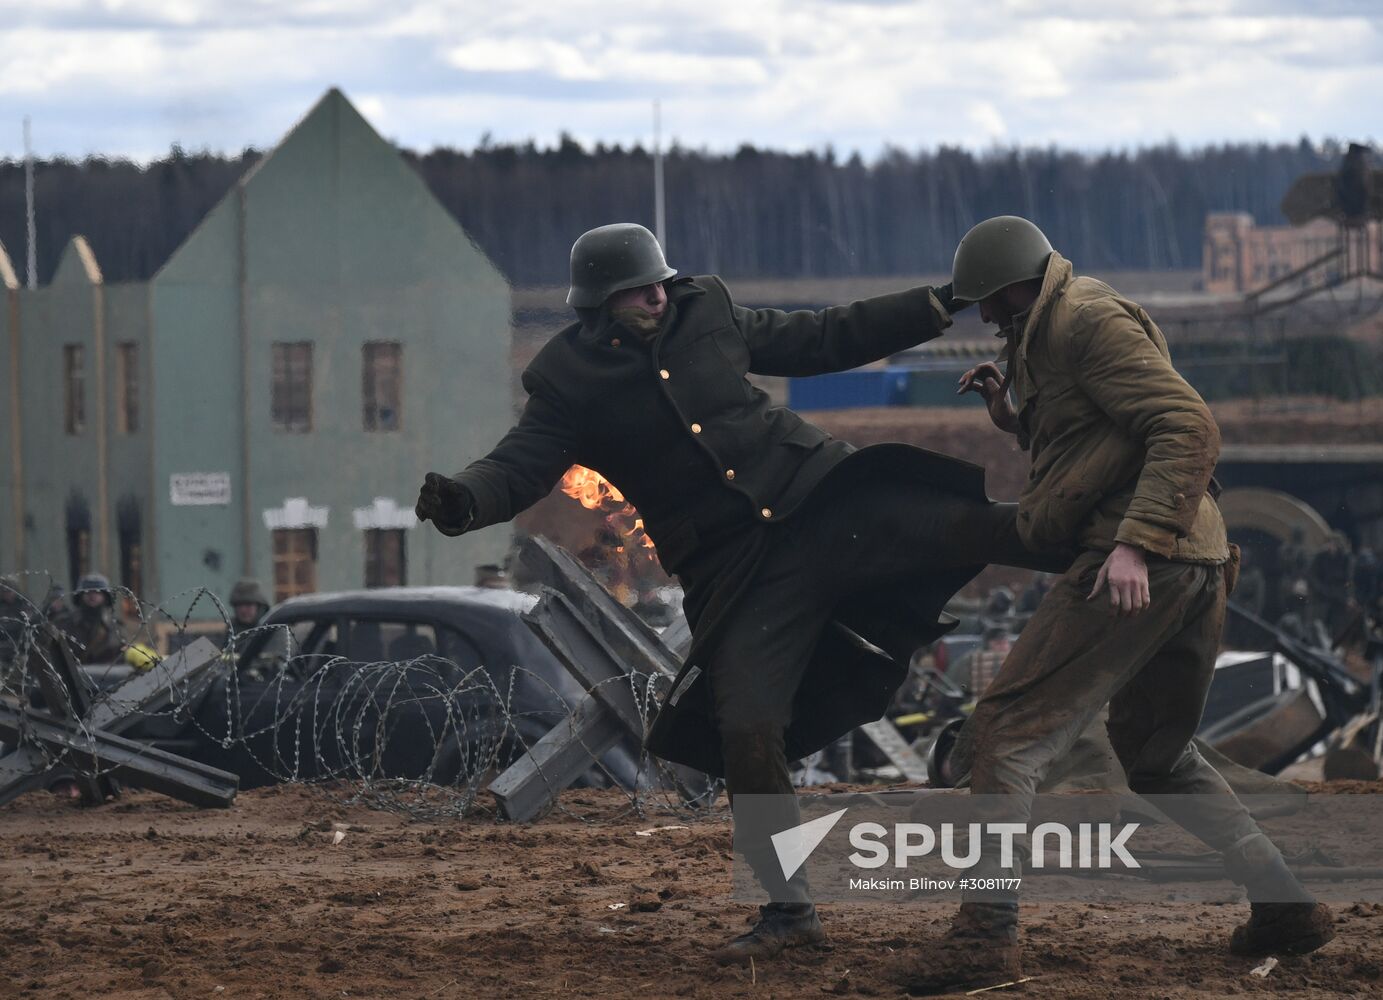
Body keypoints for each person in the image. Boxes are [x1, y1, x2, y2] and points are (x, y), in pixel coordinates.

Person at [416, 222, 1059, 965]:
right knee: (747, 726)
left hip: (824, 500)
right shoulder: (565, 382)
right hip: (740, 571)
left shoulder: (706, 309)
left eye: (661, 281)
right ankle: (788, 911)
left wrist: (937, 303)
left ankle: (1122, 531)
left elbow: (822, 337)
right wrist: (464, 499)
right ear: (599, 302)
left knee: (968, 526)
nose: (659, 295)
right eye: (638, 291)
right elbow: (519, 464)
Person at [889, 216, 1335, 994]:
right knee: (1156, 755)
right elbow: (1098, 435)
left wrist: (1132, 544)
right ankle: (1284, 908)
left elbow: (1183, 423)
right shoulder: (1048, 327)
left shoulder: (1086, 320)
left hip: (1139, 562)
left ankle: (983, 940)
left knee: (1004, 731)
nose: (985, 318)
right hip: (1190, 562)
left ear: (1018, 283)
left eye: (990, 302)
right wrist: (1012, 415)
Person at [53, 573, 124, 665]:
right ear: (81, 595)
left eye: (98, 592)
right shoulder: (63, 624)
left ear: (105, 597)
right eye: (88, 592)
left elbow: (122, 657)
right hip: (72, 677)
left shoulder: (115, 627)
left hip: (107, 676)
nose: (92, 596)